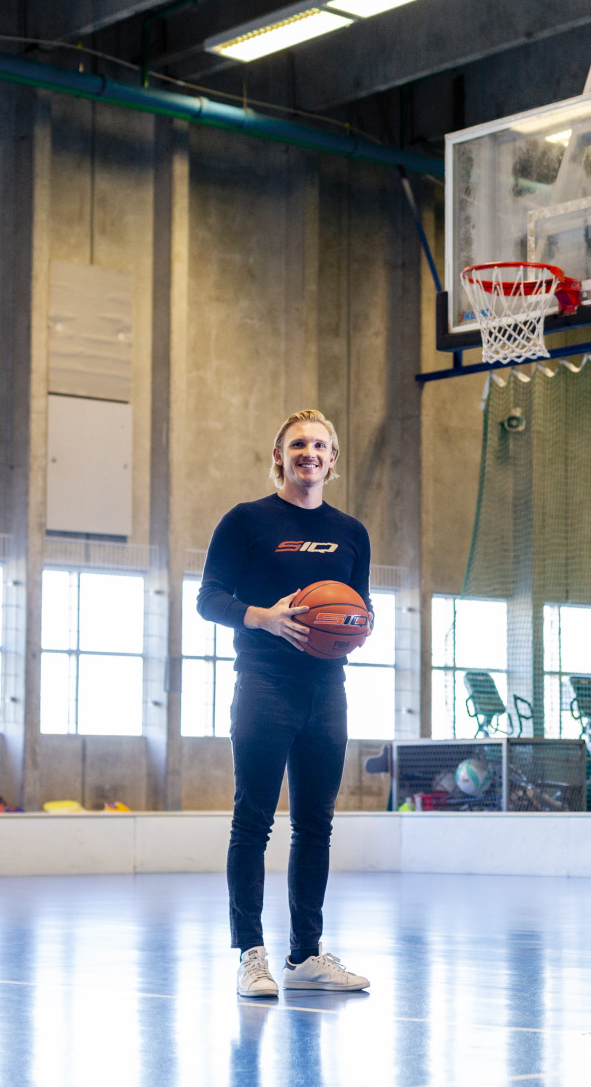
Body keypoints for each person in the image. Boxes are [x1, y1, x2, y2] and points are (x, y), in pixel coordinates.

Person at [197, 409, 372, 998]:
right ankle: (251, 954)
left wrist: (354, 628)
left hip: (327, 689)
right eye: (298, 444)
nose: (310, 453)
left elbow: (359, 608)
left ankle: (306, 955)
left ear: (333, 458)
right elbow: (208, 599)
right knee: (253, 821)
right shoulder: (246, 521)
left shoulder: (352, 533)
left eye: (321, 445)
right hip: (264, 685)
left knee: (315, 825)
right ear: (279, 455)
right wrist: (264, 618)